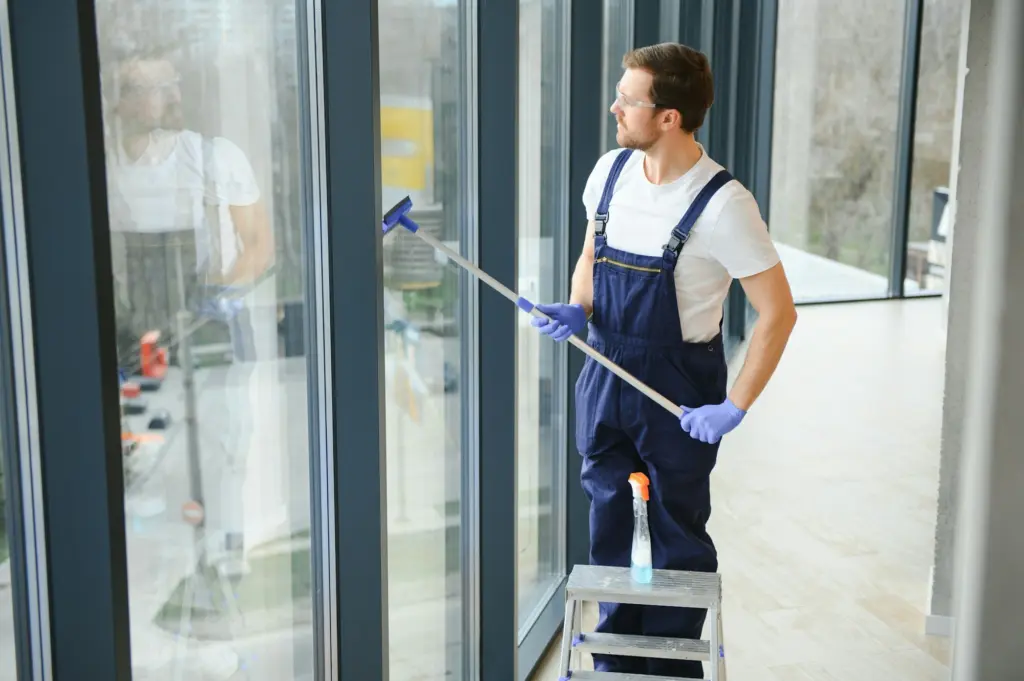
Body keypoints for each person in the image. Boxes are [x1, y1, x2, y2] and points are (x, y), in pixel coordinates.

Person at [532, 43, 797, 677]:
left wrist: (734, 406)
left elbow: (778, 312)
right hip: (605, 371)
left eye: (629, 99)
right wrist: (578, 308)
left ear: (670, 116)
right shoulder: (611, 173)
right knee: (610, 518)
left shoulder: (725, 205)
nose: (614, 107)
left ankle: (670, 668)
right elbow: (593, 255)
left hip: (679, 383)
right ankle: (617, 664)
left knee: (675, 531)